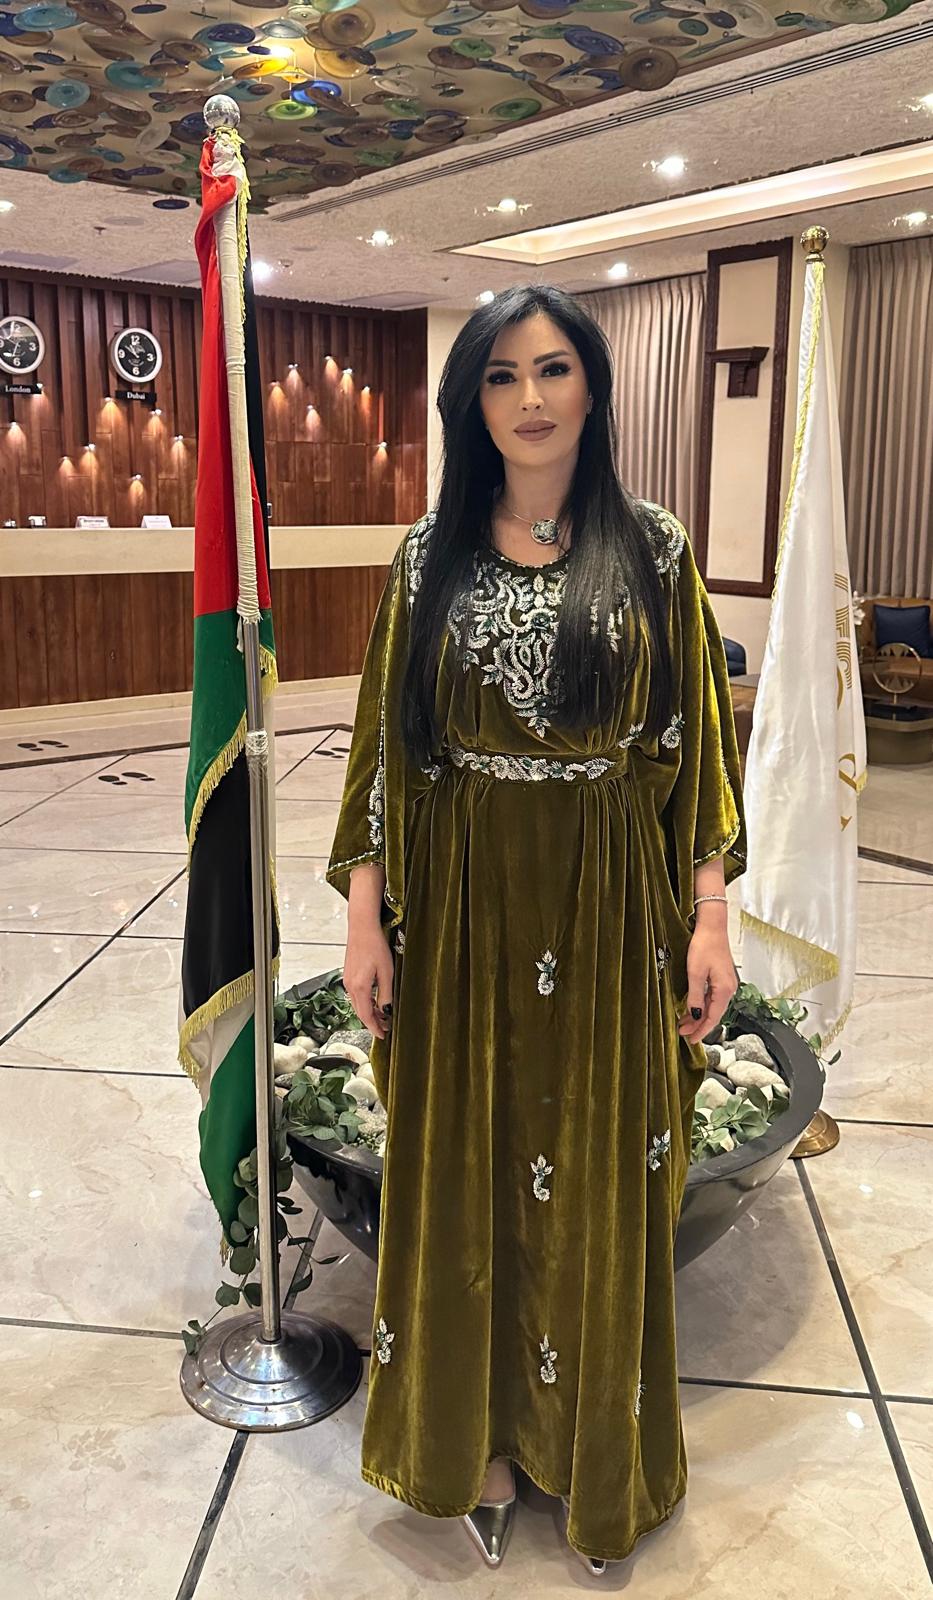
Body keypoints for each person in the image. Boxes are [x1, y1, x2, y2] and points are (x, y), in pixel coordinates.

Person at [325, 284, 747, 1573]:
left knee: (598, 1176)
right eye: (501, 377)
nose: (530, 400)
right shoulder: (427, 558)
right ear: (471, 402)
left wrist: (710, 913)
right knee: (469, 1180)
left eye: (553, 369)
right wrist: (366, 915)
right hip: (462, 909)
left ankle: (592, 1454)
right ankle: (484, 1450)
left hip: (608, 906)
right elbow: (386, 749)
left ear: (593, 388)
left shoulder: (656, 551)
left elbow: (695, 751)